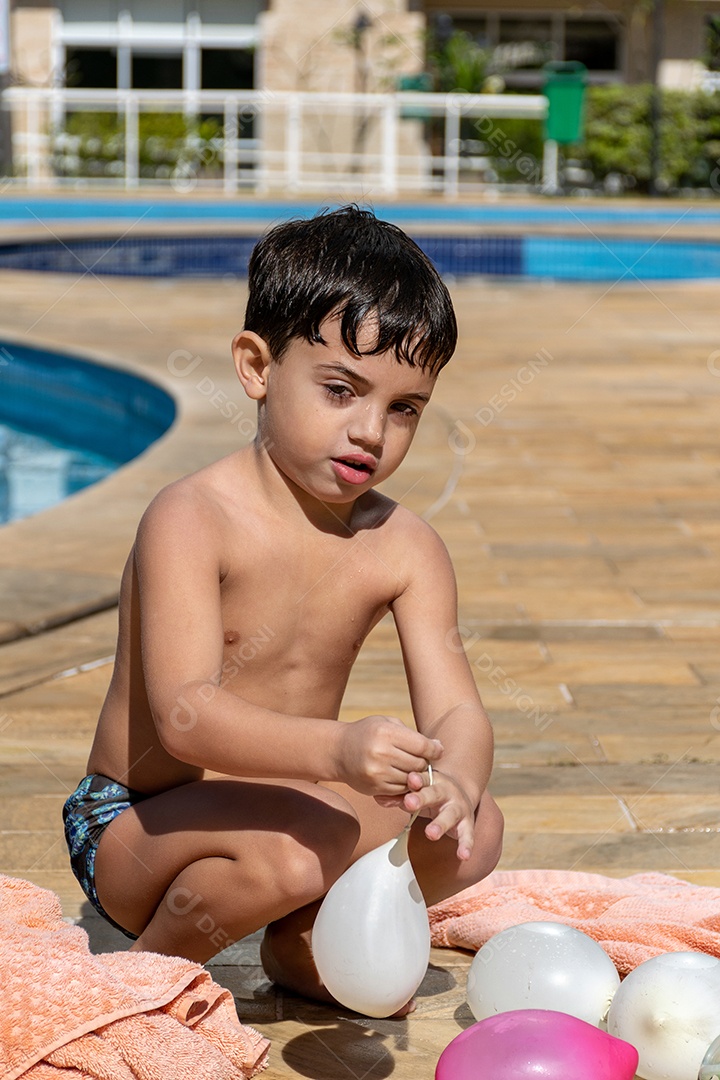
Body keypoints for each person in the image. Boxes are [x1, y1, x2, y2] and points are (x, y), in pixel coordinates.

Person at [62, 205, 503, 1012]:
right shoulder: (192, 517)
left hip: (287, 810)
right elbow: (185, 719)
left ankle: (302, 943)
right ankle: (139, 989)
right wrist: (339, 753)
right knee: (296, 855)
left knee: (472, 835)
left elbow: (458, 713)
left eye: (405, 407)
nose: (371, 430)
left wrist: (459, 784)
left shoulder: (404, 545)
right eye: (340, 390)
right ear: (257, 367)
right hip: (140, 825)